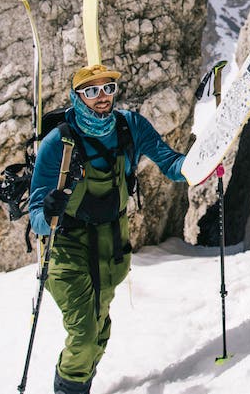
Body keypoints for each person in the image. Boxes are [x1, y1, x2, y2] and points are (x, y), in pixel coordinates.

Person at [29, 63, 189, 394]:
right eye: (91, 91)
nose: (102, 97)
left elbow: (171, 165)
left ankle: (78, 384)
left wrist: (202, 162)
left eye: (108, 88)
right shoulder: (57, 143)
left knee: (99, 329)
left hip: (112, 241)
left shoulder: (130, 127)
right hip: (67, 246)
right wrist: (49, 210)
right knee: (85, 334)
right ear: (77, 98)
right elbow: (36, 216)